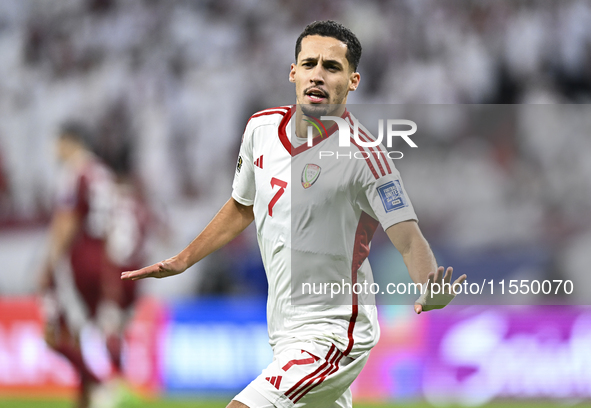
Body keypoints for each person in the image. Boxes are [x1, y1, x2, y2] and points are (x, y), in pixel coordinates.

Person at [122, 20, 466, 408]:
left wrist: (428, 286)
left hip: (335, 332)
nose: (318, 75)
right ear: (293, 71)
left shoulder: (366, 156)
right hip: (284, 328)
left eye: (332, 67)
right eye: (309, 64)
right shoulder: (261, 129)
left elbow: (407, 237)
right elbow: (242, 205)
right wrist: (184, 259)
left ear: (353, 81)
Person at [38, 122, 129, 408]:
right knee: (81, 334)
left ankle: (103, 386)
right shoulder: (102, 173)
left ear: (71, 141)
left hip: (77, 261)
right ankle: (87, 399)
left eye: (58, 142)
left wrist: (49, 264)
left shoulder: (75, 172)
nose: (55, 149)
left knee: (53, 335)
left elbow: (67, 221)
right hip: (103, 260)